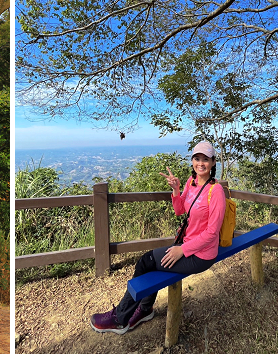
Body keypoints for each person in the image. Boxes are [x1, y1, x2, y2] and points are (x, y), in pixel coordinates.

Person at [89, 141, 225, 335]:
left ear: (213, 162)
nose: (200, 163)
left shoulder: (216, 191)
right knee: (149, 263)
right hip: (186, 244)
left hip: (201, 254)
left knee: (146, 262)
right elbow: (180, 211)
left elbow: (212, 233)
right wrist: (177, 190)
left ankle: (120, 318)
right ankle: (144, 310)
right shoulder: (191, 182)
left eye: (206, 159)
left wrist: (182, 250)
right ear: (192, 161)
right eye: (197, 158)